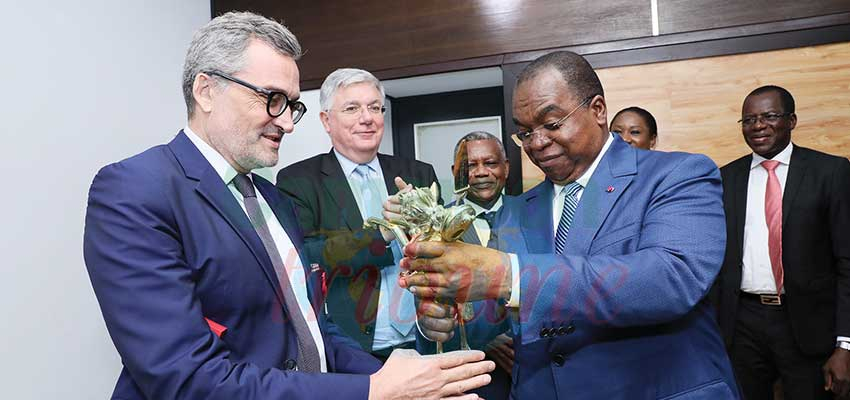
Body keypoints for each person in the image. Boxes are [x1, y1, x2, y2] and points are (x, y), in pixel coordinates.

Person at [83, 12, 492, 400]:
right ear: (206, 90)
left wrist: (402, 380)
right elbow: (188, 379)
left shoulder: (272, 198)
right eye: (272, 99)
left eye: (291, 104)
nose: (288, 123)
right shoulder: (135, 190)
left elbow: (314, 327)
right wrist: (375, 390)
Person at [396, 50, 739, 399]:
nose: (538, 143)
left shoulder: (676, 175)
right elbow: (492, 317)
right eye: (525, 132)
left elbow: (670, 279)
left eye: (552, 124)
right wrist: (439, 323)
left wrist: (510, 274)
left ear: (598, 110)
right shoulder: (516, 209)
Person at [276, 68, 440, 360]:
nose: (367, 118)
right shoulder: (299, 180)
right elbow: (308, 254)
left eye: (375, 108)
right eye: (352, 108)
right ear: (327, 120)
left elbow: (443, 247)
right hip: (353, 348)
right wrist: (383, 232)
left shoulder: (418, 173)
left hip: (425, 336)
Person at [712, 85, 850, 400]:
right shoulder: (725, 179)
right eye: (748, 120)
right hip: (741, 324)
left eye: (770, 116)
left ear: (792, 120)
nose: (758, 126)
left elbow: (847, 261)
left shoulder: (830, 172)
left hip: (807, 324)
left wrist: (846, 344)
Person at [419, 131, 513, 399]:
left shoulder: (535, 214)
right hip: (472, 380)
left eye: (491, 163)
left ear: (505, 167)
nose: (481, 172)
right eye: (471, 165)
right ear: (456, 172)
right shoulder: (434, 227)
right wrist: (483, 339)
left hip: (535, 374)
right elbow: (429, 308)